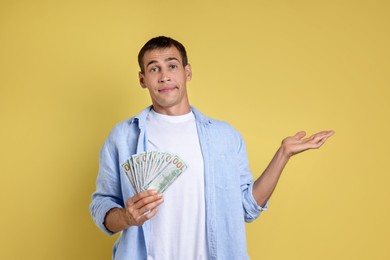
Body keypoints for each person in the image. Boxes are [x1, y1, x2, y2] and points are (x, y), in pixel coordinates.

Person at [89, 36, 334, 260]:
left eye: (172, 66)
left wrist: (283, 155)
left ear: (187, 72)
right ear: (143, 79)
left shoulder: (224, 136)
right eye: (154, 69)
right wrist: (126, 217)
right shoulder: (123, 136)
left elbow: (247, 208)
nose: (164, 76)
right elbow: (102, 206)